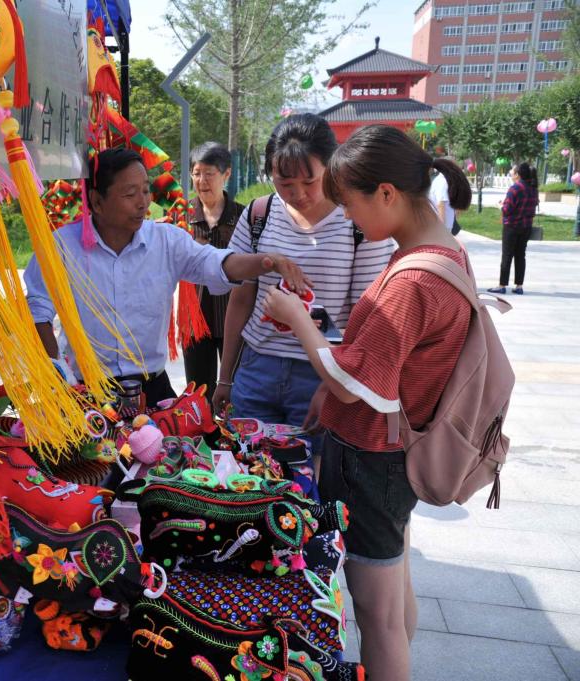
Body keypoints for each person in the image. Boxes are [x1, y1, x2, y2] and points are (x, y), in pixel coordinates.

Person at [262, 124, 473, 681]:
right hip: (393, 451)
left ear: (386, 193)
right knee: (394, 596)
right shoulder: (445, 252)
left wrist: (298, 320)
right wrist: (330, 392)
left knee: (376, 618)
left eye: (351, 206)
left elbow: (360, 383)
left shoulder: (411, 280)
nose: (349, 220)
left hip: (373, 458)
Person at [24, 147, 309, 408]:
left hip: (152, 389)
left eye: (145, 190)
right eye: (130, 194)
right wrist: (61, 374)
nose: (143, 203)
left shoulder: (166, 241)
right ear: (97, 202)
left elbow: (215, 263)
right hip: (86, 393)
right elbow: (38, 312)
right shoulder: (61, 247)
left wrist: (267, 261)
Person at [211, 114, 394, 432]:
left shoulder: (358, 222)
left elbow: (364, 316)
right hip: (256, 369)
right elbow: (240, 300)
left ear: (332, 167)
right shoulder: (258, 215)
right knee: (248, 461)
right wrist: (225, 377)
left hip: (322, 373)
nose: (298, 194)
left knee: (310, 462)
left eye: (310, 182)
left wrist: (333, 385)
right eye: (285, 183)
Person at [184, 142, 244, 397]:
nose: (202, 181)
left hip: (234, 318)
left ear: (226, 174)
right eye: (196, 173)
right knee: (198, 395)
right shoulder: (181, 216)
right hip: (193, 321)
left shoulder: (244, 217)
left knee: (237, 392)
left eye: (209, 173)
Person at [489, 162, 539, 295]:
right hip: (526, 226)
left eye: (513, 170)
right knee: (520, 255)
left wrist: (500, 206)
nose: (511, 172)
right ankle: (519, 286)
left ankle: (502, 285)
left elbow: (507, 210)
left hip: (512, 226)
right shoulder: (533, 188)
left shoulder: (515, 188)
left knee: (507, 255)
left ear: (518, 174)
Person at [428, 159, 457, 232]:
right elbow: (441, 204)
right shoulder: (442, 182)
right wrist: (442, 229)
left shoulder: (442, 180)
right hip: (442, 227)